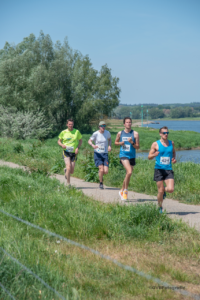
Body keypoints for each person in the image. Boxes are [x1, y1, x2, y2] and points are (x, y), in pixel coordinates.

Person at [148, 126, 176, 213]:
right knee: (160, 191)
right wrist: (154, 154)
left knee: (171, 189)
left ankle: (164, 190)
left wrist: (174, 158)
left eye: (167, 133)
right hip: (159, 170)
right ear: (160, 134)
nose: (166, 134)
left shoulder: (172, 143)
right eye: (164, 133)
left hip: (168, 169)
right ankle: (160, 207)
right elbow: (149, 157)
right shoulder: (155, 144)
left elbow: (174, 152)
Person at [115, 117, 140, 200]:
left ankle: (121, 190)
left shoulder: (135, 134)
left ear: (131, 123)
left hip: (132, 156)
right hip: (123, 155)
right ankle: (125, 192)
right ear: (124, 124)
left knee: (128, 174)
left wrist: (132, 142)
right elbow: (115, 142)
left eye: (130, 122)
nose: (128, 123)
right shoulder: (120, 133)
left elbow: (137, 147)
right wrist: (120, 143)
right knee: (129, 172)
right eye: (127, 122)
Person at [58, 118, 82, 185]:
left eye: (72, 124)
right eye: (69, 124)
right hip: (66, 151)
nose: (70, 125)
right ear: (67, 124)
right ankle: (68, 184)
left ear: (73, 124)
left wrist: (77, 148)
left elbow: (80, 141)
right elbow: (59, 141)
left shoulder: (76, 132)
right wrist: (62, 145)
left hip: (74, 152)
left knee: (71, 171)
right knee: (68, 167)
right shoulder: (63, 132)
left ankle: (66, 171)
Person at [88, 121, 111, 189]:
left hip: (105, 153)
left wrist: (110, 146)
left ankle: (100, 172)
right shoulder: (95, 134)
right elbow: (89, 141)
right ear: (99, 127)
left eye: (104, 126)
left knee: (105, 171)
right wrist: (93, 145)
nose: (103, 127)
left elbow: (110, 140)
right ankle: (101, 183)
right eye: (102, 126)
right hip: (97, 154)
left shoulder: (107, 133)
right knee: (101, 170)